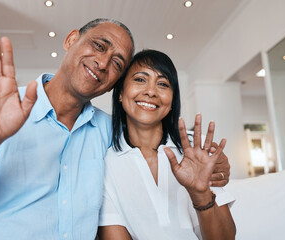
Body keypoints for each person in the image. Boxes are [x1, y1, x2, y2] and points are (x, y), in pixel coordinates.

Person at [0, 19, 229, 239]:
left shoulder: (110, 134)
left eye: (117, 63)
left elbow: (153, 147)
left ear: (114, 84)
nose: (103, 63)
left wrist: (218, 169)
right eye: (99, 46)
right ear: (71, 40)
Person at [98, 50, 236, 239]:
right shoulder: (106, 163)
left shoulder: (195, 150)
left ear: (172, 101)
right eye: (140, 79)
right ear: (121, 93)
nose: (151, 91)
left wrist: (201, 194)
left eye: (163, 84)